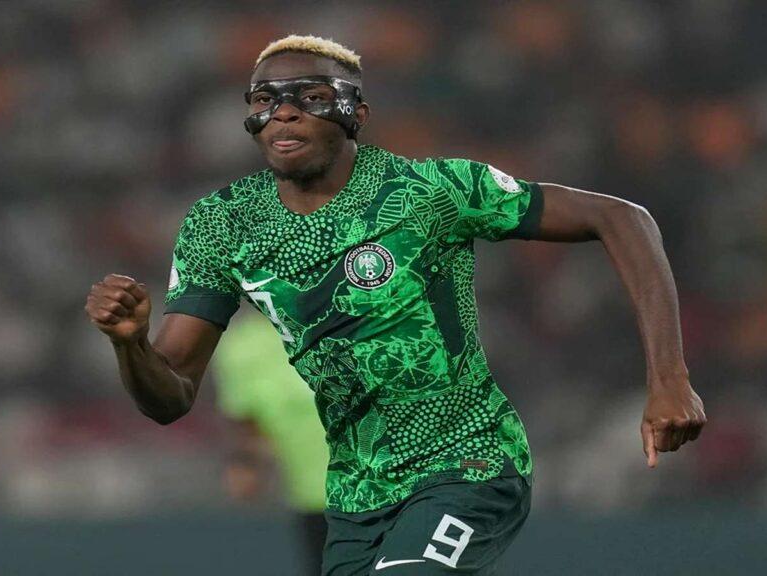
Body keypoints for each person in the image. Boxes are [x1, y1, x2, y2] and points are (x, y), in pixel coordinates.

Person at [84, 35, 706, 575]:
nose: (283, 114)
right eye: (264, 100)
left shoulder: (430, 191)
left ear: (354, 112)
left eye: (310, 97)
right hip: (355, 497)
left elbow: (621, 218)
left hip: (468, 464)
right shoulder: (221, 225)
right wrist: (129, 344)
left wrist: (669, 378)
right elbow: (170, 396)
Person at [213, 311, 329, 575]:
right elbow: (248, 423)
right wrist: (247, 464)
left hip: (394, 487)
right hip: (315, 498)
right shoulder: (242, 346)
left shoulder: (349, 313)